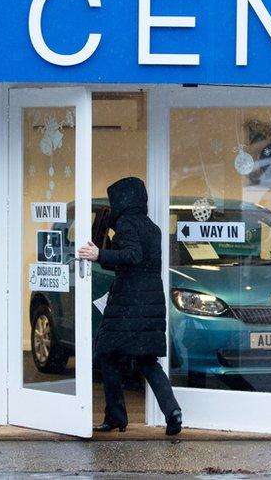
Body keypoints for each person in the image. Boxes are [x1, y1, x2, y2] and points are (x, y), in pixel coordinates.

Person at [77, 177, 182, 436]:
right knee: (148, 361)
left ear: (123, 200)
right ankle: (172, 411)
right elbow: (133, 259)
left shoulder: (126, 224)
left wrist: (98, 254)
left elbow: (132, 256)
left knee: (107, 353)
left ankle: (116, 416)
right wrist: (107, 253)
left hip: (128, 301)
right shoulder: (152, 227)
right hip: (150, 299)